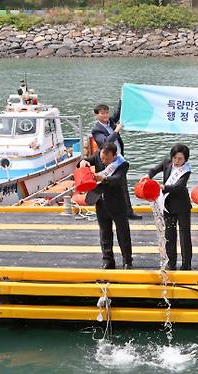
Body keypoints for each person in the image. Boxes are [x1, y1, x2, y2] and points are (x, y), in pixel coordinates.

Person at [79, 142, 133, 270]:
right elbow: (84, 161)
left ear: (114, 156)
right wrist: (83, 162)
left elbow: (117, 179)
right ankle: (108, 260)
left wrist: (102, 178)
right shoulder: (98, 156)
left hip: (116, 202)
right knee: (104, 233)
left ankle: (127, 260)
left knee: (123, 233)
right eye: (102, 158)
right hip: (100, 201)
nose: (103, 162)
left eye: (106, 159)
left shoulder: (122, 164)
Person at [92, 101, 141, 220]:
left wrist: (123, 98)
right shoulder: (96, 130)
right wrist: (116, 131)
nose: (105, 115)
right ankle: (107, 211)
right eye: (102, 113)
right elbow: (105, 142)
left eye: (107, 113)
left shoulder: (111, 122)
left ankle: (128, 211)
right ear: (96, 115)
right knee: (107, 186)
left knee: (123, 185)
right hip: (107, 162)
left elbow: (118, 113)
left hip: (118, 159)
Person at [148, 144, 192, 271]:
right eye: (175, 158)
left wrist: (162, 187)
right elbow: (153, 170)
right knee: (169, 235)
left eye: (180, 159)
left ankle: (186, 264)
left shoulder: (186, 170)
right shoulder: (167, 162)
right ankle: (171, 262)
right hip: (168, 206)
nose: (177, 161)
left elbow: (179, 187)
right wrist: (148, 176)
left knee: (184, 236)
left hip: (182, 206)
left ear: (185, 159)